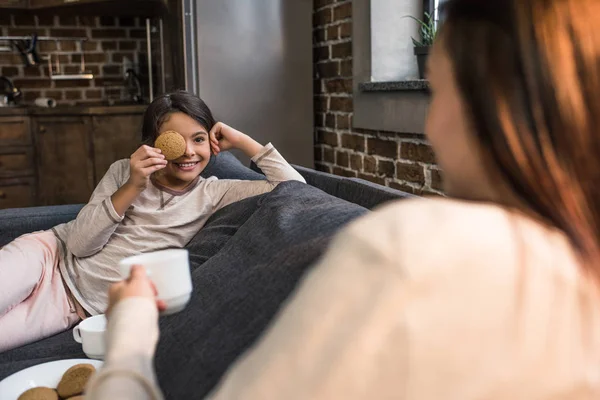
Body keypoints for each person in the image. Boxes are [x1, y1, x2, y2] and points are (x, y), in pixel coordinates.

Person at [87, 0, 600, 398]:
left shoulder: (411, 250)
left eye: (439, 92)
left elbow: (293, 191)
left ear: (491, 105)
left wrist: (131, 334)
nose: (429, 124)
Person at [0, 90, 305, 352]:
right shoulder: (124, 171)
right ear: (152, 143)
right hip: (48, 255)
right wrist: (133, 185)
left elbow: (296, 189)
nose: (187, 151)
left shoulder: (214, 193)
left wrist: (243, 141)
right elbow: (80, 245)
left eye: (199, 139)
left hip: (70, 308)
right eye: (176, 140)